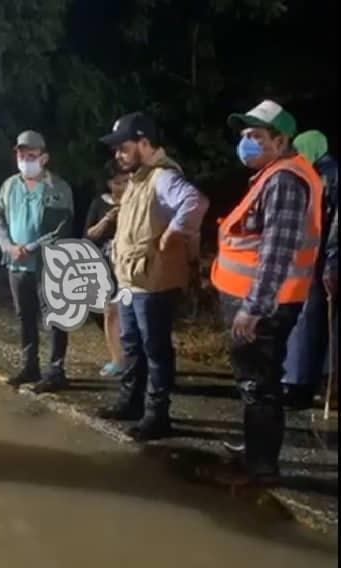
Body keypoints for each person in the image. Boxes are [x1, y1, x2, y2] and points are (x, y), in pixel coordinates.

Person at [210, 100, 324, 484]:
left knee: (259, 384)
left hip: (263, 306)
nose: (247, 143)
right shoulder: (273, 175)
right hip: (256, 301)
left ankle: (261, 467)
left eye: (256, 136)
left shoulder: (285, 182)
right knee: (255, 381)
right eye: (244, 135)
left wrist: (253, 308)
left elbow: (277, 252)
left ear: (281, 139)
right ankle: (256, 447)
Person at [97, 112, 209, 441]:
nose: (118, 154)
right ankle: (130, 403)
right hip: (132, 281)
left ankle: (157, 416)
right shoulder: (139, 177)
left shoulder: (162, 176)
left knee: (155, 349)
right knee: (131, 344)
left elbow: (195, 201)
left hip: (154, 281)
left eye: (123, 147)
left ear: (145, 143)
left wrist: (173, 233)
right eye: (116, 149)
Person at [0, 130, 74, 393]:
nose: (25, 159)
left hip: (48, 264)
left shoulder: (57, 187)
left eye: (31, 155)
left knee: (54, 318)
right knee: (24, 317)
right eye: (21, 154)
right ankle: (30, 366)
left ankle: (56, 370)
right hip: (16, 265)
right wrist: (8, 246)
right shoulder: (9, 186)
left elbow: (59, 228)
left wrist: (28, 248)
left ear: (44, 157)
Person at [281, 130, 338, 408]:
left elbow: (332, 226)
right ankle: (304, 381)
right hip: (314, 259)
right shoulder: (319, 173)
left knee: (307, 321)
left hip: (317, 260)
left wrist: (331, 261)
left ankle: (299, 384)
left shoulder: (326, 176)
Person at [84, 160, 129, 377]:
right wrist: (106, 220)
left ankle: (137, 360)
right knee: (110, 312)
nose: (123, 186)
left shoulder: (135, 202)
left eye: (127, 181)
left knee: (132, 314)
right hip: (106, 265)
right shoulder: (99, 204)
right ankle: (117, 359)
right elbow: (89, 235)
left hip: (130, 267)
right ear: (110, 183)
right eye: (119, 182)